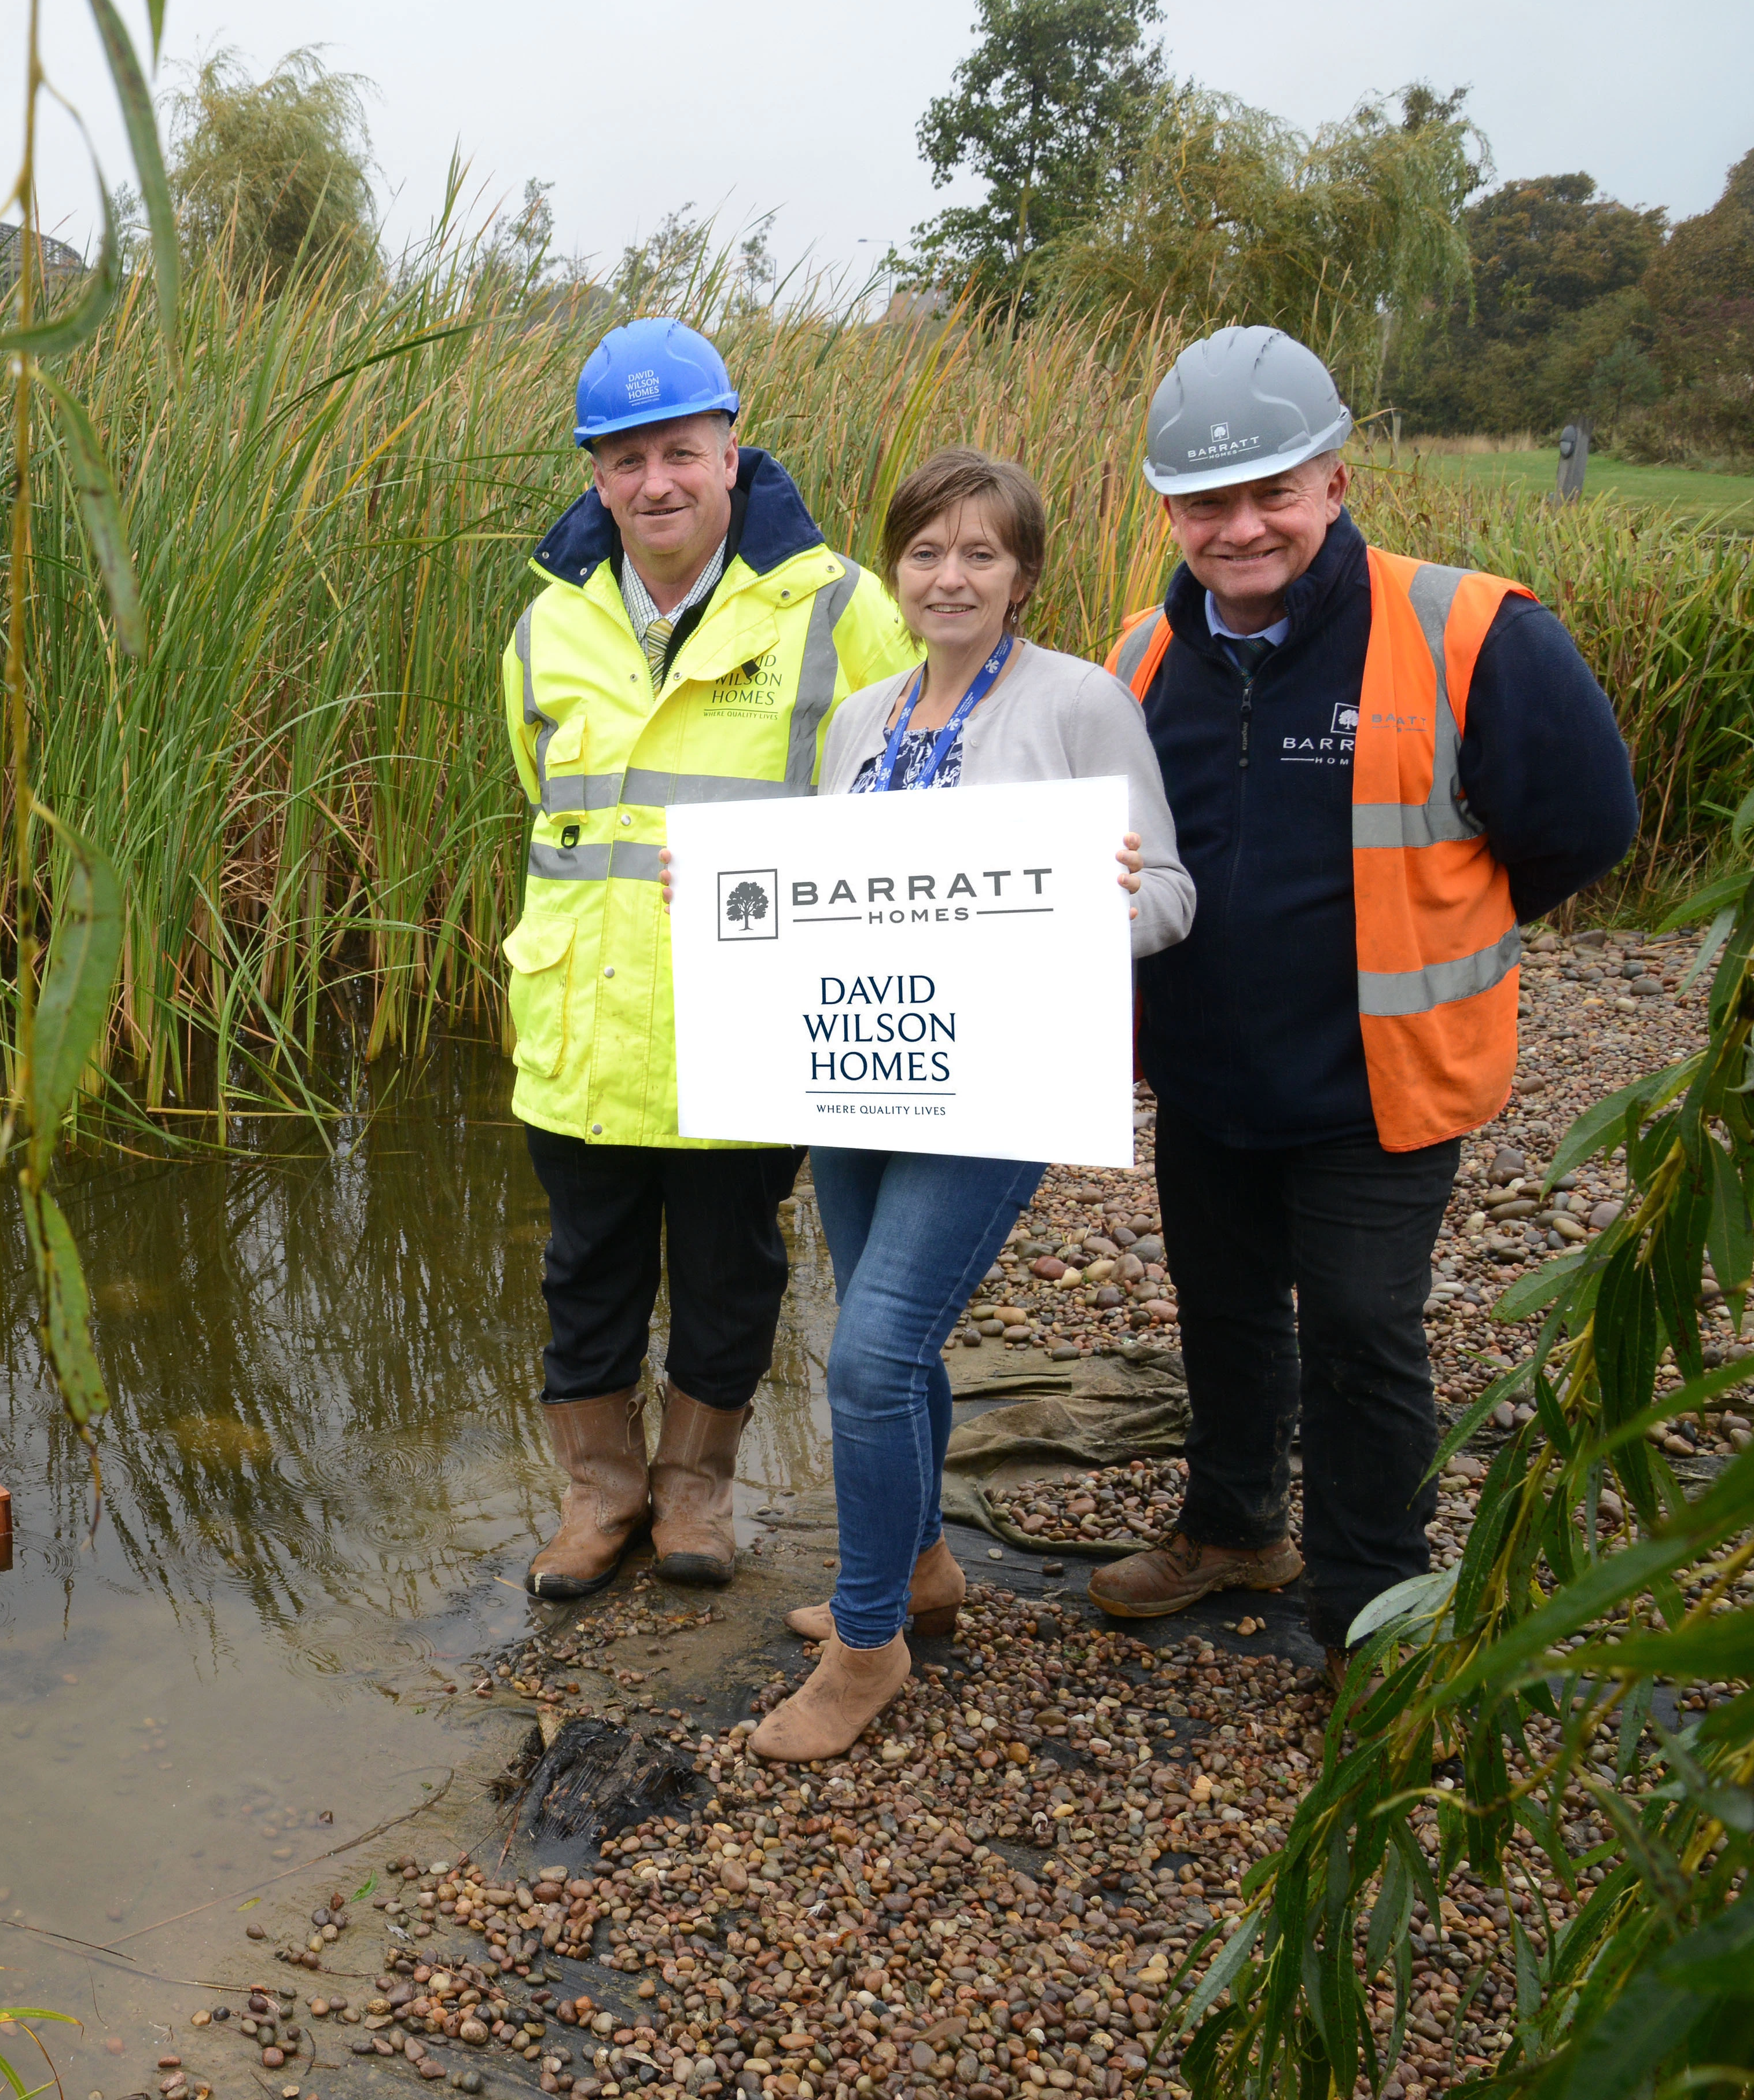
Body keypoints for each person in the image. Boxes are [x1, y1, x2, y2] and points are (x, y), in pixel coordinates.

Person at [1086, 327, 1639, 1675]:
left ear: (1337, 480)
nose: (1244, 527)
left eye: (1275, 489)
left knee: (1358, 1333)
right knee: (1218, 1305)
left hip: (1381, 1086)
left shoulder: (1472, 630)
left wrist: (1442, 925)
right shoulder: (1142, 660)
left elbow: (1586, 825)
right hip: (1210, 1079)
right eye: (1209, 502)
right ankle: (1232, 1524)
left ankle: (1375, 1616)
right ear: (1169, 509)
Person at [727, 448, 1194, 1762]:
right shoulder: (864, 715)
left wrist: (1103, 898)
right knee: (900, 1350)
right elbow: (825, 889)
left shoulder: (1080, 703)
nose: (951, 575)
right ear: (897, 570)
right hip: (859, 1072)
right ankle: (924, 1562)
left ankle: (870, 1643)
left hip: (997, 1081)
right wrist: (721, 911)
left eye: (980, 553)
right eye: (927, 551)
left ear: (1023, 574)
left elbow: (1171, 895)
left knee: (871, 1355)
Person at [499, 318, 920, 1601]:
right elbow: (546, 801)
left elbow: (908, 788)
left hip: (744, 1020)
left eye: (682, 451)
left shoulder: (837, 606)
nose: (656, 484)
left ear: (733, 453)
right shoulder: (545, 625)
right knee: (587, 1270)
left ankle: (695, 1495)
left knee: (733, 1267)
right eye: (625, 461)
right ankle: (599, 1495)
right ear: (595, 477)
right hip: (581, 1023)